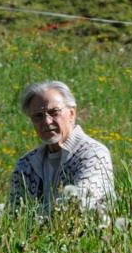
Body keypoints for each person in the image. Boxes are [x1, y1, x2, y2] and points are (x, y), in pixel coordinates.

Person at [9, 81, 114, 214]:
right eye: (38, 116)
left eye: (54, 112)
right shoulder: (25, 165)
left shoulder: (94, 154)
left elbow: (79, 206)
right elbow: (14, 215)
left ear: (72, 113)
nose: (46, 121)